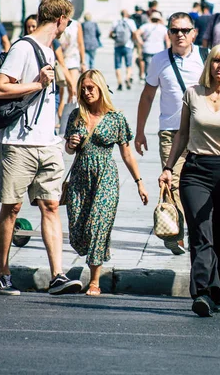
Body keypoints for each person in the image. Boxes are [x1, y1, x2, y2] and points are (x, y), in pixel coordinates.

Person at [0, 0, 83, 296]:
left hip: (47, 141)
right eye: (67, 20)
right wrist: (37, 84)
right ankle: (2, 273)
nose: (67, 25)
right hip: (19, 142)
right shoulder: (23, 47)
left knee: (51, 205)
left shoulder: (48, 49)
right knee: (13, 207)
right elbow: (0, 88)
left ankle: (57, 274)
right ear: (59, 19)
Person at [158, 44, 220, 317]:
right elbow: (181, 135)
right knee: (202, 233)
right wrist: (168, 167)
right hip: (196, 170)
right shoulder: (193, 93)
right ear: (209, 64)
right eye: (216, 62)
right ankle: (202, 292)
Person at [64, 70, 148, 296]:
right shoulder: (76, 116)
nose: (87, 92)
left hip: (106, 178)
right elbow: (68, 149)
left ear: (101, 88)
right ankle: (92, 256)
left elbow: (127, 154)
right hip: (80, 177)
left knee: (97, 226)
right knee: (78, 230)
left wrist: (139, 182)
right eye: (83, 88)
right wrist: (71, 144)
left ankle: (94, 281)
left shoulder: (116, 118)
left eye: (91, 87)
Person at [135, 12, 203, 255]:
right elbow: (147, 96)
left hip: (202, 133)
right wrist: (140, 131)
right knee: (173, 182)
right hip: (171, 132)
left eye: (185, 30)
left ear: (193, 32)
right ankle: (177, 232)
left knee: (197, 183)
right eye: (175, 30)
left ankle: (193, 230)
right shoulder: (159, 60)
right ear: (169, 34)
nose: (180, 35)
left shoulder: (205, 57)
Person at [58, 18, 86, 118]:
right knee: (60, 90)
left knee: (73, 89)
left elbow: (80, 43)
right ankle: (60, 115)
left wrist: (83, 62)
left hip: (73, 59)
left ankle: (67, 116)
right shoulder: (58, 22)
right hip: (60, 60)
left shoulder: (76, 24)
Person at [110, 10, 138, 91]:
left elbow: (110, 34)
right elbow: (135, 33)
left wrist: (115, 39)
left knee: (117, 66)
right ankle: (127, 78)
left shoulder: (116, 22)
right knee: (128, 65)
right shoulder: (131, 22)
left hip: (117, 46)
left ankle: (119, 83)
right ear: (127, 14)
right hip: (128, 46)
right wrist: (133, 40)